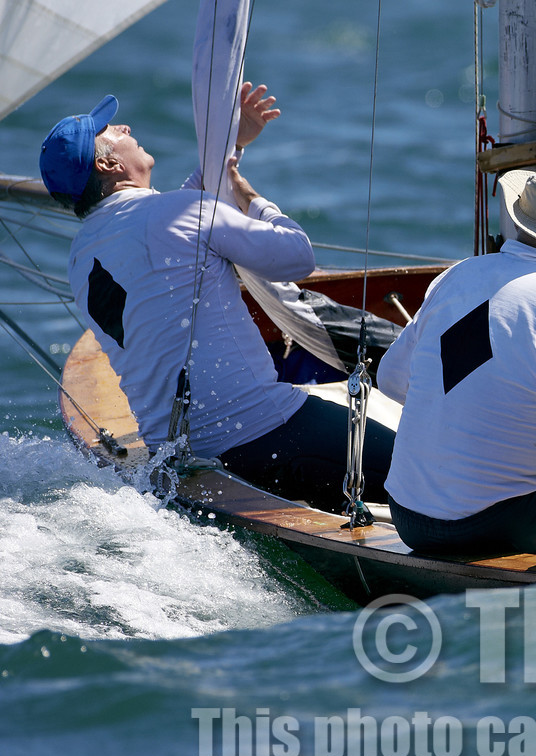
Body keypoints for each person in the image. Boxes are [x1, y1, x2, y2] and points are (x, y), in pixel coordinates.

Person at [40, 86, 394, 510]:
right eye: (112, 129)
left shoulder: (81, 257)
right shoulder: (177, 213)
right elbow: (298, 256)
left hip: (181, 459)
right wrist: (250, 197)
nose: (125, 126)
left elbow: (184, 211)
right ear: (108, 163)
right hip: (266, 434)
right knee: (429, 468)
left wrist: (233, 140)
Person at [378, 164, 536, 557]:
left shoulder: (456, 277)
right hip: (507, 525)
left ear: (519, 220)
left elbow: (391, 380)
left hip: (409, 518)